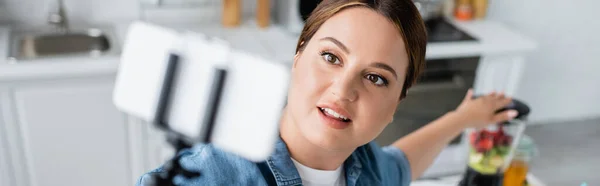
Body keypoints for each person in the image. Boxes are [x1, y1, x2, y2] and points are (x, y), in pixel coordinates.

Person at [137, 0, 518, 185]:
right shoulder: (209, 175)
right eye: (331, 57)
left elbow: (401, 165)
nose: (343, 89)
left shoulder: (367, 169)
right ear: (297, 55)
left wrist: (463, 118)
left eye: (376, 78)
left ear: (395, 106)